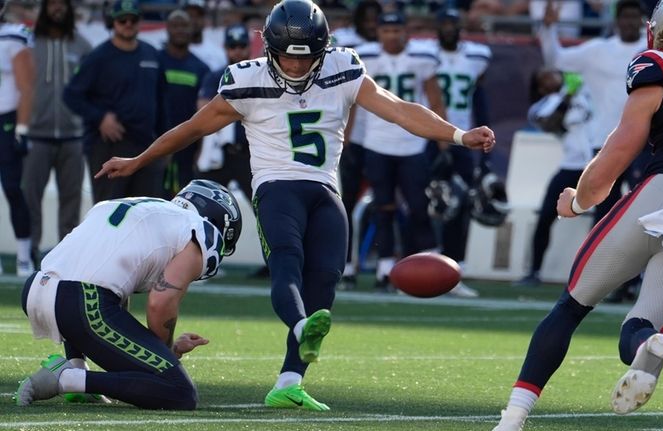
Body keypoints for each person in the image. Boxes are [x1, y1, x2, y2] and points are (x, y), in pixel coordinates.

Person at [96, 0, 495, 411]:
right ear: (269, 47)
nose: (296, 66)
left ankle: (289, 380)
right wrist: (138, 160)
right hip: (276, 187)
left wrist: (460, 135)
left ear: (323, 49)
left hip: (325, 190)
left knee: (325, 279)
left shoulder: (343, 68)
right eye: (286, 55)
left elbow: (398, 110)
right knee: (287, 261)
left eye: (305, 57)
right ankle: (301, 324)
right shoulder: (245, 80)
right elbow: (191, 129)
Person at [493, 0, 663, 429]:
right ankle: (648, 343)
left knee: (570, 307)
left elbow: (619, 150)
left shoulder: (662, 67)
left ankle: (513, 418)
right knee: (638, 331)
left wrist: (578, 201)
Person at [15, 179, 243, 409]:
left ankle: (76, 366)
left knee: (109, 290)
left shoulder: (138, 207)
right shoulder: (200, 230)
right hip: (81, 302)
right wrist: (166, 357)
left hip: (37, 287)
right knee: (180, 391)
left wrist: (166, 350)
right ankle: (67, 379)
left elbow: (95, 272)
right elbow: (160, 302)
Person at [355, 11, 446, 292]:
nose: (391, 36)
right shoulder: (364, 56)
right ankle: (384, 268)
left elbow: (434, 100)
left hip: (412, 143)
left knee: (419, 206)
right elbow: (351, 102)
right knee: (382, 207)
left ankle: (434, 264)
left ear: (406, 31)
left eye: (396, 31)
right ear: (378, 33)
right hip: (376, 142)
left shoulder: (423, 58)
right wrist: (346, 141)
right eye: (386, 31)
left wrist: (443, 143)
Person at [537, 0, 647, 226]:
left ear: (643, 21)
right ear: (616, 21)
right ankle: (595, 260)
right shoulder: (597, 50)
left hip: (645, 142)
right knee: (604, 214)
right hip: (606, 141)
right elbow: (555, 59)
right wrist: (548, 29)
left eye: (634, 16)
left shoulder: (653, 50)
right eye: (625, 16)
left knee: (646, 208)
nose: (629, 22)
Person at [63, 0, 167, 204]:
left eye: (133, 19)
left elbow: (161, 101)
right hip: (109, 145)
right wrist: (100, 118)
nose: (128, 23)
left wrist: (165, 143)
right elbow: (71, 95)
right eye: (122, 20)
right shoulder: (99, 57)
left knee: (147, 212)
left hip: (147, 146)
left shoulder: (151, 54)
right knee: (109, 211)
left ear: (139, 22)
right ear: (113, 23)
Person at [428, 8, 493, 298]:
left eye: (453, 23)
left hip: (463, 139)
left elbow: (478, 95)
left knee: (463, 204)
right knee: (424, 203)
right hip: (427, 136)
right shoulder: (423, 55)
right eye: (443, 23)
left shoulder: (477, 56)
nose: (448, 29)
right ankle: (420, 267)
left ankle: (455, 272)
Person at [23, 0, 91, 269]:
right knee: (30, 200)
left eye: (62, 4)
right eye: (51, 4)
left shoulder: (83, 46)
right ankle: (27, 255)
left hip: (73, 137)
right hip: (34, 136)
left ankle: (66, 260)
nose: (57, 8)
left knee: (71, 204)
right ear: (43, 9)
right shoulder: (28, 45)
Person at [522, 69, 594, 286]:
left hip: (599, 163)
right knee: (545, 216)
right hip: (571, 166)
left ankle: (593, 276)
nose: (553, 77)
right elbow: (549, 123)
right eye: (545, 77)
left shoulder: (587, 91)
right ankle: (534, 271)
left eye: (553, 73)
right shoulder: (543, 105)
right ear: (541, 87)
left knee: (605, 219)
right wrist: (566, 97)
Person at [332, 0, 382, 290]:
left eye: (377, 17)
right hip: (351, 134)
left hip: (379, 134)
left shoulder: (389, 50)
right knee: (345, 202)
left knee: (385, 205)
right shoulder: (344, 43)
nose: (373, 22)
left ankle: (384, 266)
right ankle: (346, 265)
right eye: (368, 17)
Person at [195, 23, 253, 201]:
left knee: (265, 208)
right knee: (205, 205)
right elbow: (202, 110)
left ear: (249, 47)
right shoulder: (216, 76)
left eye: (242, 46)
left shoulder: (259, 75)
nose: (237, 51)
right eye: (232, 46)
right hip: (220, 152)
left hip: (250, 154)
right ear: (225, 48)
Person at [158, 9, 210, 197]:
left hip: (187, 146)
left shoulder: (201, 68)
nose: (180, 30)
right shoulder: (155, 62)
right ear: (167, 29)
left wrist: (201, 148)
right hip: (156, 143)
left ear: (192, 29)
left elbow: (206, 114)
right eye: (175, 25)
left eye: (184, 25)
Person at [0, 0, 35, 276]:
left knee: (13, 188)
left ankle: (24, 256)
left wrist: (22, 128)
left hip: (7, 119)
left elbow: (26, 87)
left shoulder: (13, 35)